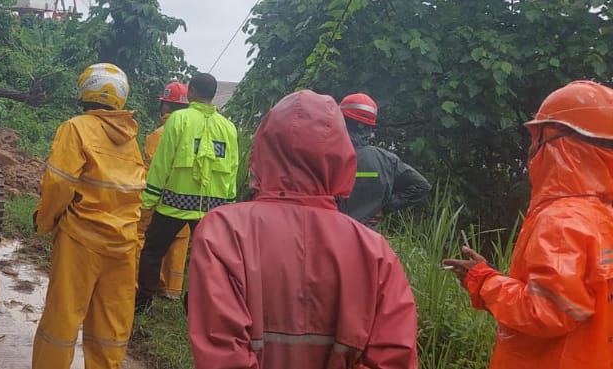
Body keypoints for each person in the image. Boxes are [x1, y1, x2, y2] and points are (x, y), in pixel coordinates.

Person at [189, 90, 418, 368]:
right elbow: (392, 359)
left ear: (264, 147)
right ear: (342, 155)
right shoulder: (377, 254)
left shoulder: (223, 232)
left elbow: (222, 354)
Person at [442, 80, 613, 369]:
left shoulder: (562, 221)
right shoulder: (602, 217)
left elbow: (548, 311)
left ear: (558, 140)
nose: (531, 149)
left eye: (536, 137)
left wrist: (484, 281)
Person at [32, 63, 146, 369]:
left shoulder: (76, 128)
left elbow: (58, 182)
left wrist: (45, 221)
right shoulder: (130, 138)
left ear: (86, 90)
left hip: (80, 239)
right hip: (123, 245)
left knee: (62, 319)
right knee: (111, 330)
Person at [136, 72, 237, 312]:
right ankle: (195, 307)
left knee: (152, 251)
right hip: (212, 209)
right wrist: (229, 207)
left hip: (175, 203)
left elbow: (163, 162)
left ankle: (143, 302)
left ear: (191, 91)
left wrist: (149, 198)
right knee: (207, 261)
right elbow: (232, 169)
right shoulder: (229, 128)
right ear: (212, 95)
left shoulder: (178, 120)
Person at [337, 92, 431, 229]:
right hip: (366, 241)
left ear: (341, 120)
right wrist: (385, 208)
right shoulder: (387, 160)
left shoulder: (321, 154)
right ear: (369, 128)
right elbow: (421, 186)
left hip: (327, 238)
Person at [136, 80, 193, 299]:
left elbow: (150, 168)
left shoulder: (159, 134)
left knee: (144, 240)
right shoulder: (194, 131)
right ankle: (172, 291)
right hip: (187, 199)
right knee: (179, 242)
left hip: (160, 197)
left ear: (165, 105)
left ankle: (143, 288)